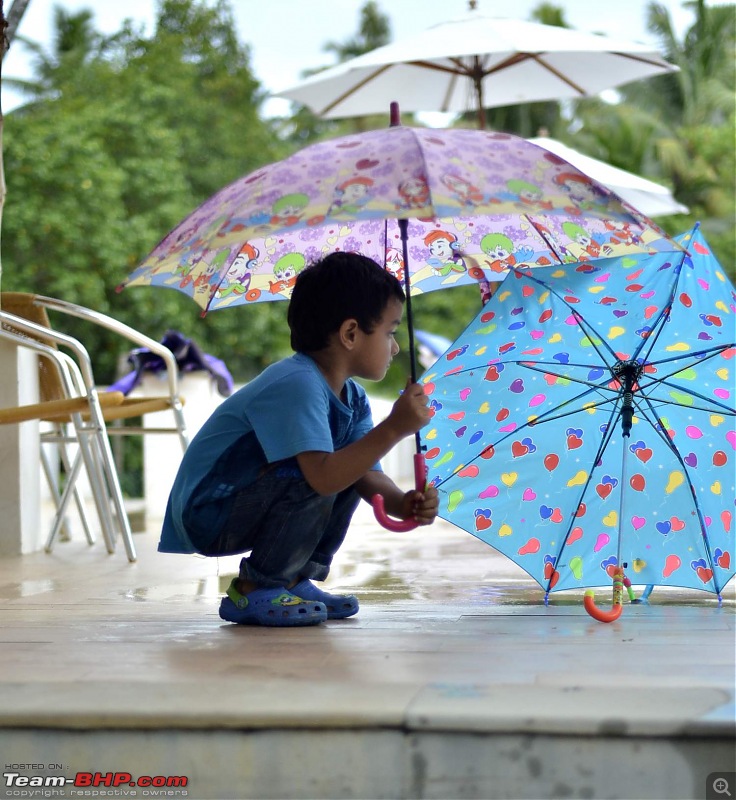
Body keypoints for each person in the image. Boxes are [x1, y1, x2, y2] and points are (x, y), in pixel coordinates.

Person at [159, 252, 439, 627]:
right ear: (351, 333)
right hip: (211, 512)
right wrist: (393, 428)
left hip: (248, 502)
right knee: (325, 472)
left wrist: (401, 503)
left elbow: (366, 472)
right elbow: (323, 478)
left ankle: (290, 579)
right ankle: (255, 589)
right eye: (390, 332)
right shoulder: (299, 383)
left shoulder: (351, 398)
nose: (396, 347)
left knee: (345, 467)